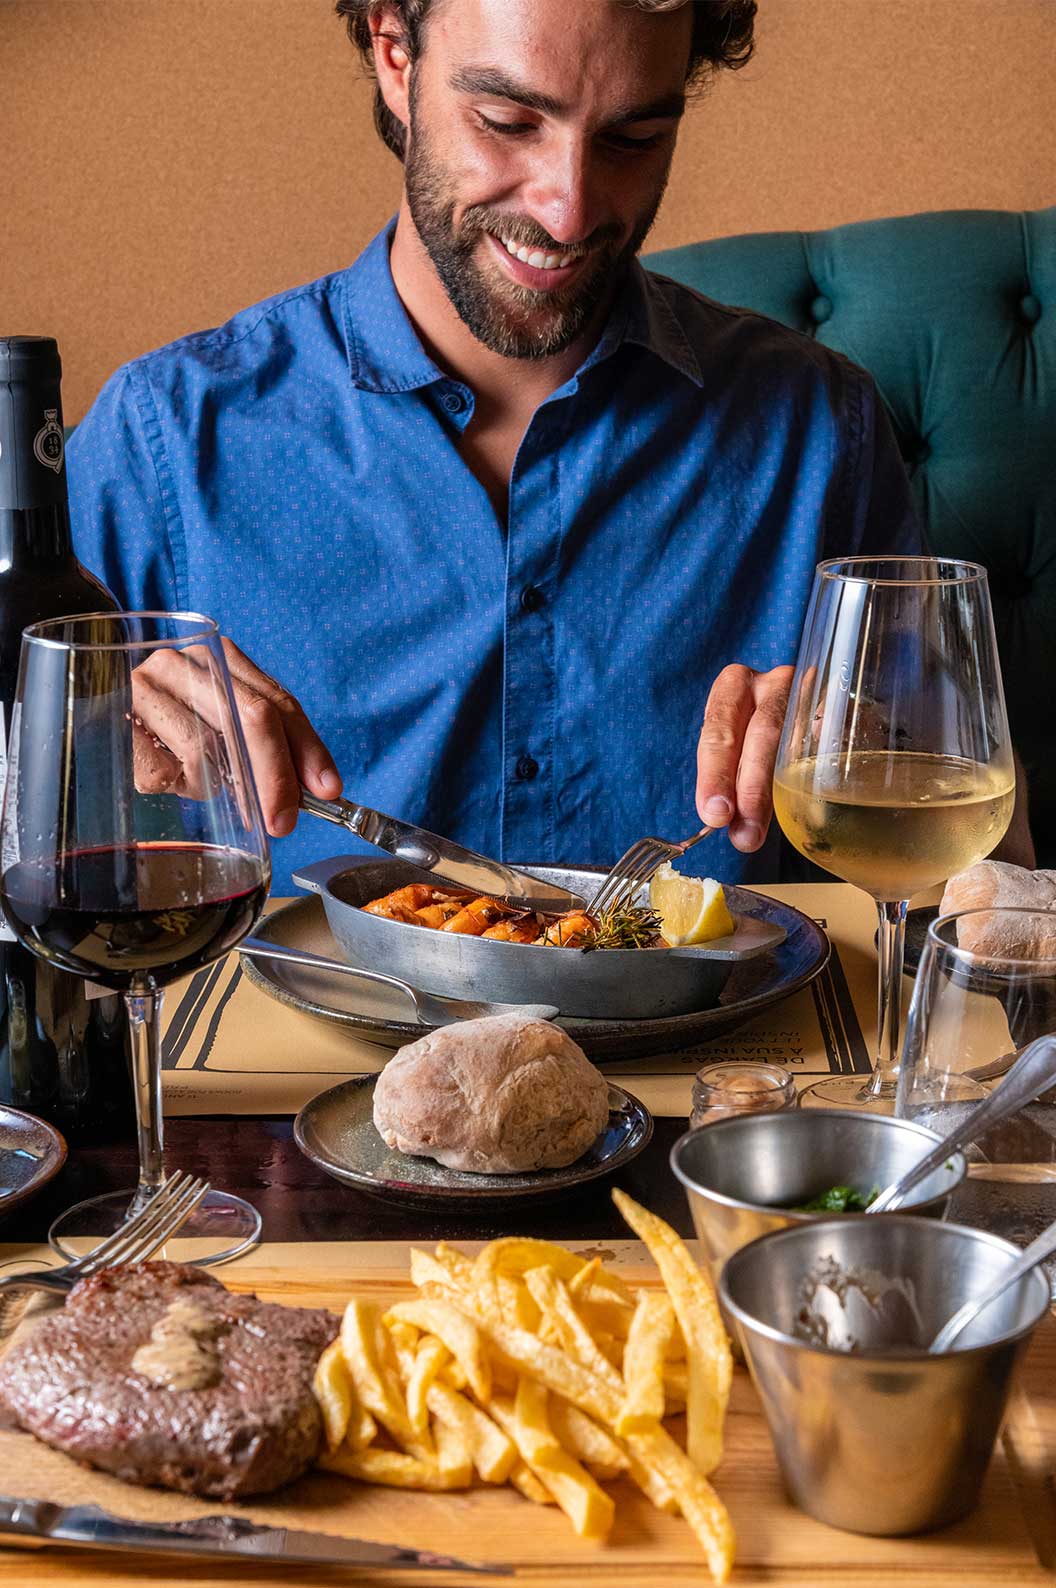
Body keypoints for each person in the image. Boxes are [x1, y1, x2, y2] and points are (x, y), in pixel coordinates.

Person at [70, 0, 1017, 893]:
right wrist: (97, 743)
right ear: (396, 53)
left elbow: (988, 869)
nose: (569, 211)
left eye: (633, 139)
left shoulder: (823, 428)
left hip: (726, 1065)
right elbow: (33, 846)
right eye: (508, 121)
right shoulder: (162, 437)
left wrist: (863, 745)